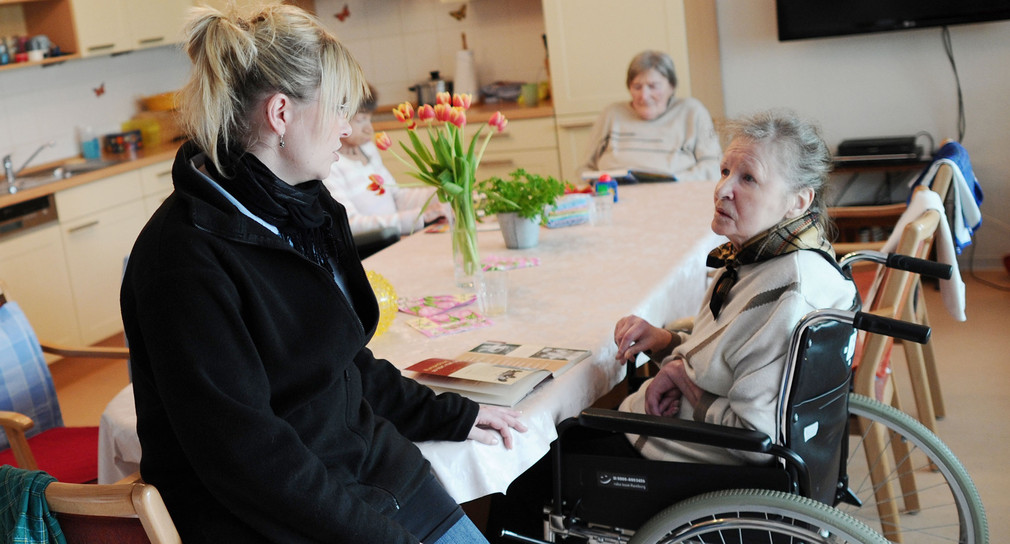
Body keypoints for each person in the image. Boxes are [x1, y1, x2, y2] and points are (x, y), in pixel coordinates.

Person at [119, 5, 525, 544]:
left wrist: (446, 415)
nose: (347, 127)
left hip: (372, 477)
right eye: (338, 108)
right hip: (280, 523)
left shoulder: (303, 207)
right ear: (281, 113)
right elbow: (251, 462)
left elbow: (341, 361)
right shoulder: (182, 261)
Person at [488, 109, 856, 541]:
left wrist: (683, 381)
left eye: (748, 179)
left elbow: (756, 438)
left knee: (521, 470)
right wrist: (666, 343)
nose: (723, 189)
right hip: (686, 435)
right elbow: (728, 355)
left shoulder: (786, 293)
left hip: (697, 460)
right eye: (724, 171)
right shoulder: (768, 258)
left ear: (799, 200)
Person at [579, 50, 721, 182]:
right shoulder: (611, 113)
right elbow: (585, 168)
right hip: (616, 195)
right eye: (637, 87)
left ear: (671, 87)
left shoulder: (691, 111)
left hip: (675, 194)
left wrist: (677, 181)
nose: (644, 96)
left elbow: (713, 166)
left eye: (653, 86)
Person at [323, 86, 447, 236]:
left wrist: (444, 194)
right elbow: (350, 224)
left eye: (369, 119)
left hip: (399, 237)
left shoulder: (367, 149)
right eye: (361, 120)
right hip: (376, 247)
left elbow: (397, 197)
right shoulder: (330, 166)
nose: (369, 129)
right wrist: (418, 217)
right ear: (335, 118)